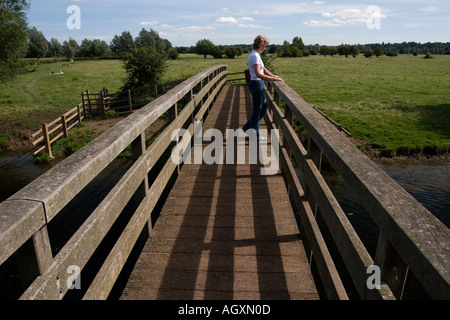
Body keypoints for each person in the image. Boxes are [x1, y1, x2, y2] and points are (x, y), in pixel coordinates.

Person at [242, 35, 283, 140]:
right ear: (261, 45)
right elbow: (258, 73)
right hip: (256, 84)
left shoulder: (256, 54)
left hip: (257, 84)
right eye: (265, 46)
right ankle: (254, 134)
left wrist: (273, 76)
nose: (266, 48)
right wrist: (272, 79)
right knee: (257, 110)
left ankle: (247, 128)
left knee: (263, 109)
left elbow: (262, 68)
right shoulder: (255, 56)